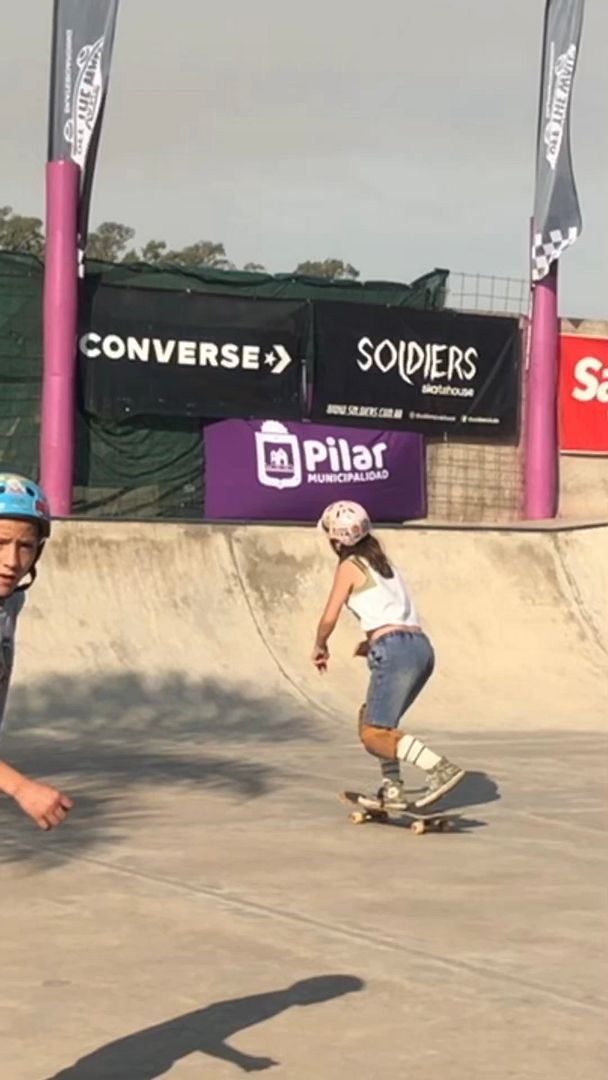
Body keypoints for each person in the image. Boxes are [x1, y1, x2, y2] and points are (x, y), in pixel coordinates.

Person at [312, 500, 465, 809]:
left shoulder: (350, 565)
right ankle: (392, 787)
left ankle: (440, 768)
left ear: (336, 539)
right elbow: (395, 617)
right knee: (375, 720)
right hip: (420, 649)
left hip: (395, 649)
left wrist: (320, 645)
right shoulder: (386, 566)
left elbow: (329, 616)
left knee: (372, 734)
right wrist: (370, 644)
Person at [0, 473, 73, 830]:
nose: (12, 561)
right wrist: (21, 788)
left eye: (25, 546)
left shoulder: (11, 599)